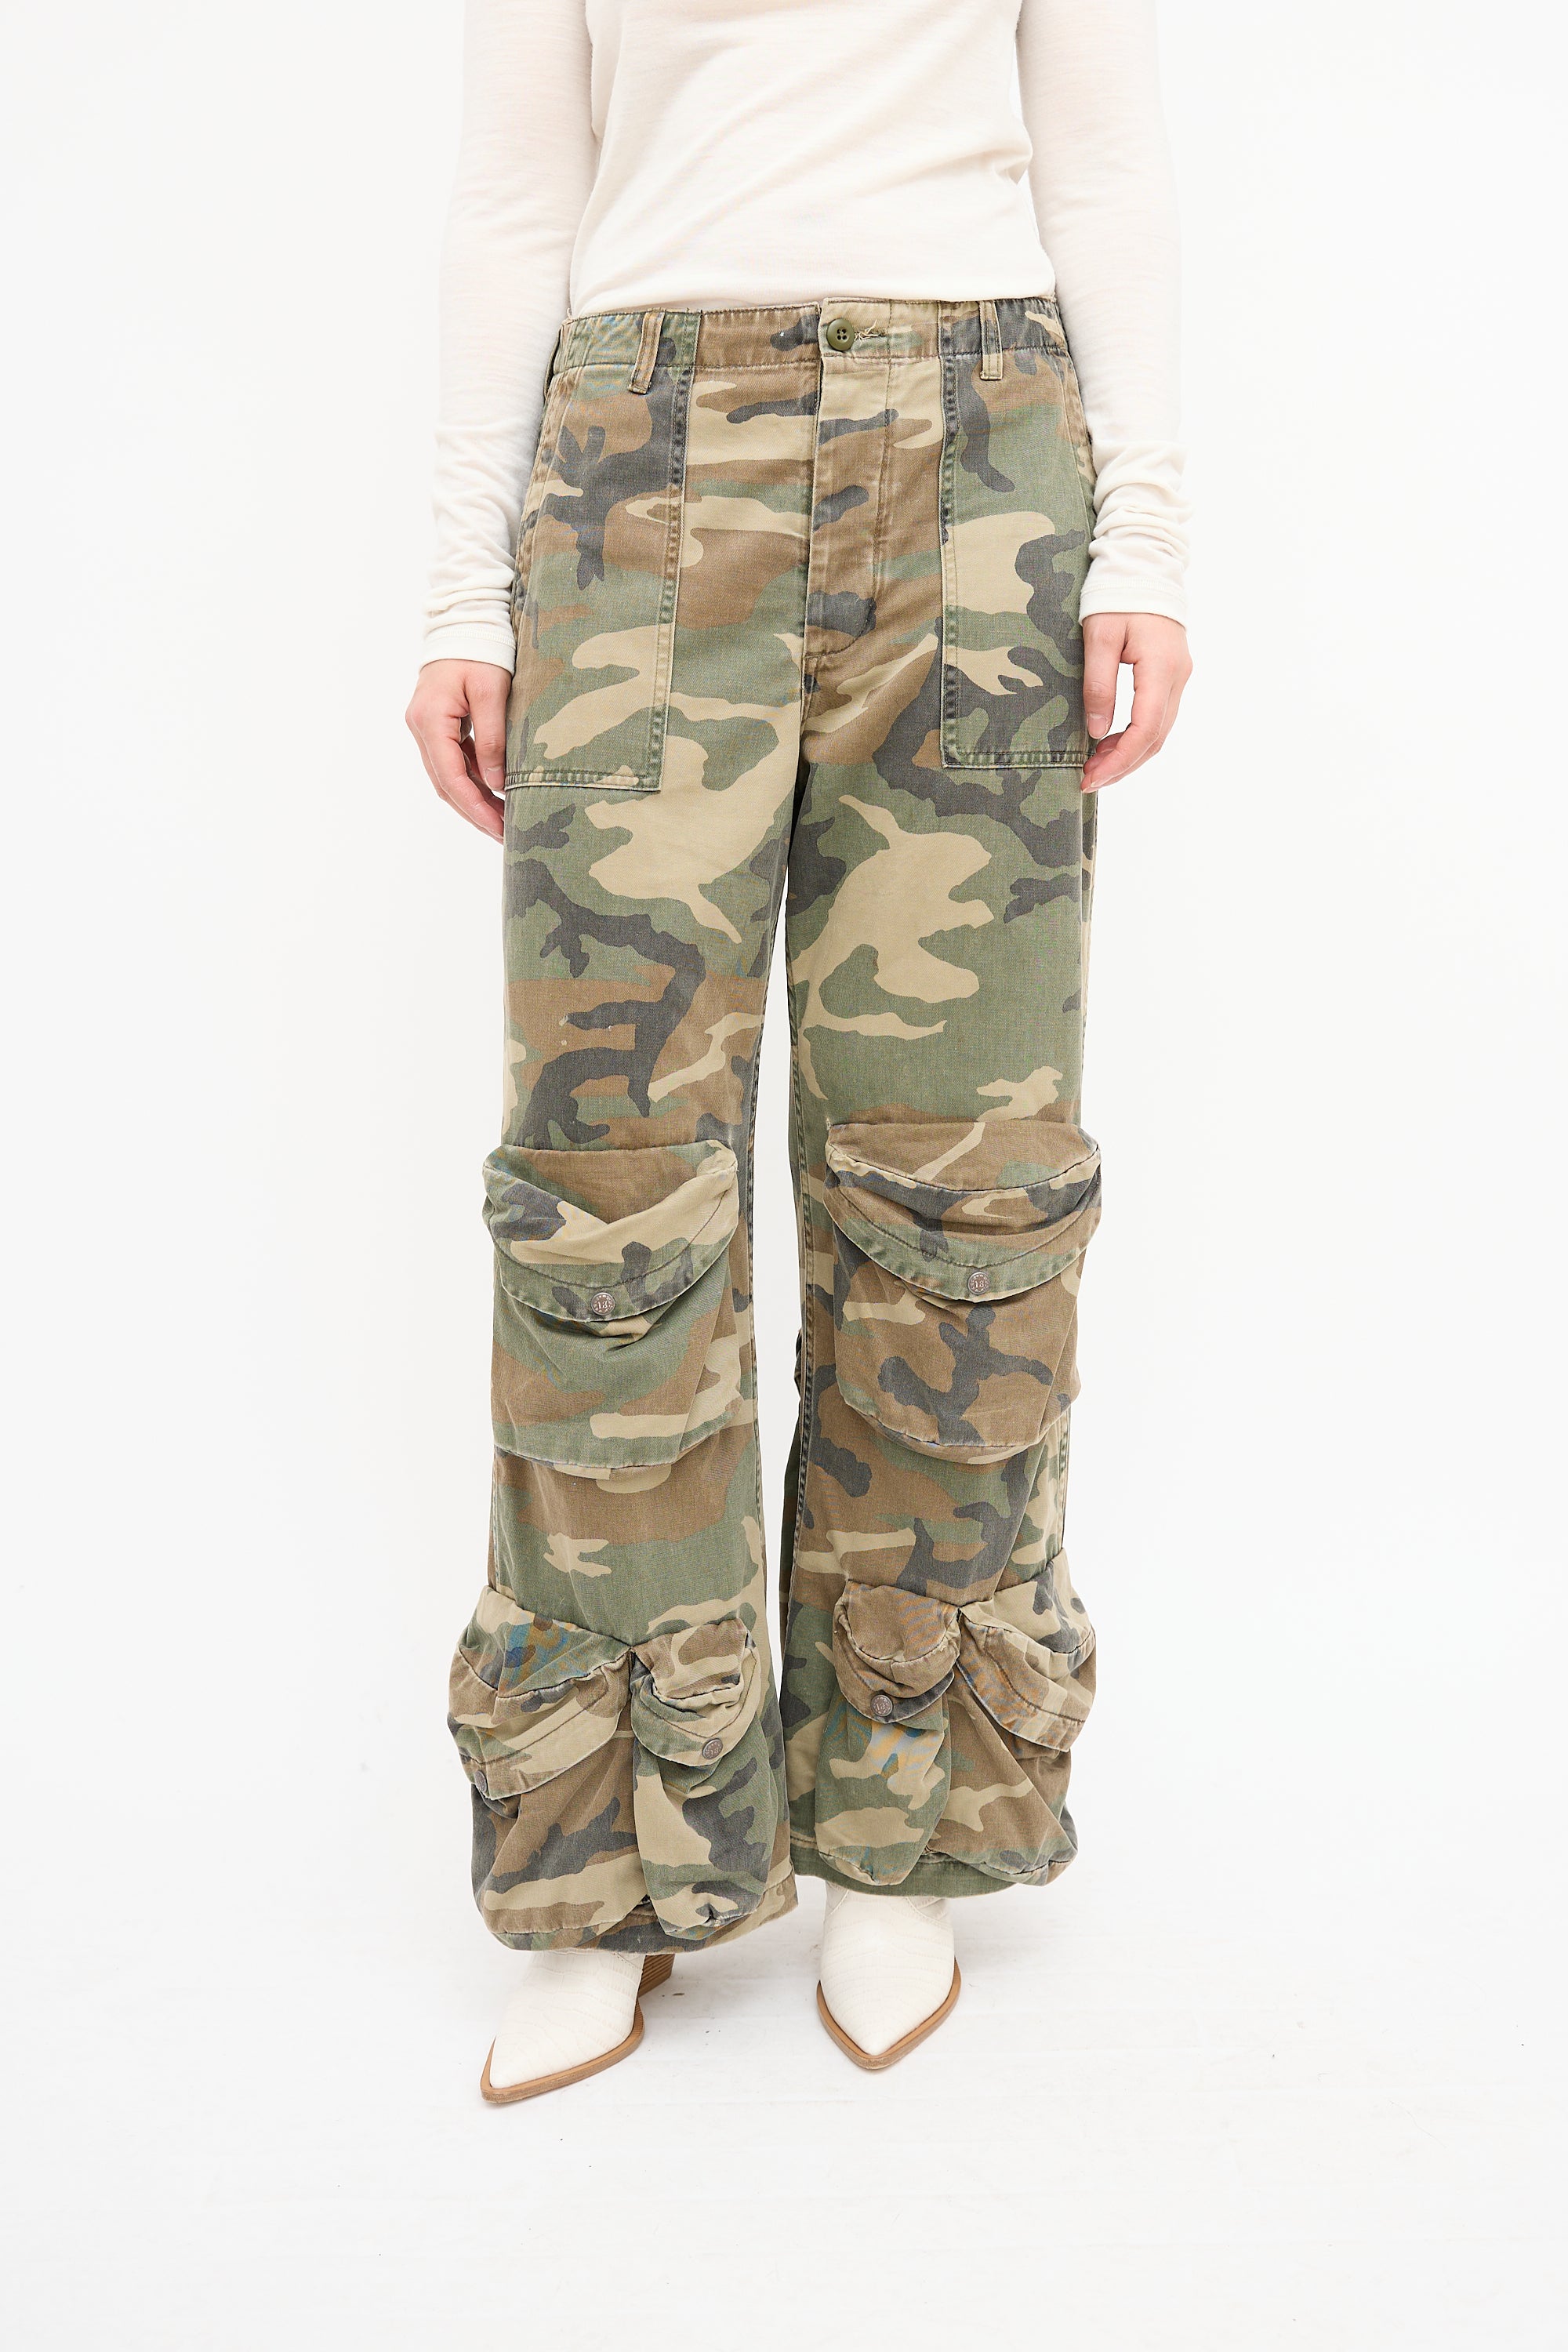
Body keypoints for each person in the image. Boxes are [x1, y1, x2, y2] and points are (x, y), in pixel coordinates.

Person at [407, 0, 1190, 2103]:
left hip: (985, 470)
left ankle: (899, 1838)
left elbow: (1104, 161)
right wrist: (462, 598)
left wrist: (1148, 534)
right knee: (608, 1193)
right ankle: (613, 1868)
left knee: (960, 1180)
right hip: (638, 468)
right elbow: (518, 193)